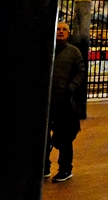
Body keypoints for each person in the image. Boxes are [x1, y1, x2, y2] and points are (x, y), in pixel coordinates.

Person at [46, 22, 85, 183]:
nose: (61, 32)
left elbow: (80, 72)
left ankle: (65, 168)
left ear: (69, 34)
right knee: (43, 135)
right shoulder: (48, 50)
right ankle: (43, 166)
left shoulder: (73, 52)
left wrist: (71, 88)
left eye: (64, 30)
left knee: (64, 135)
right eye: (58, 29)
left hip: (63, 100)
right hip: (46, 100)